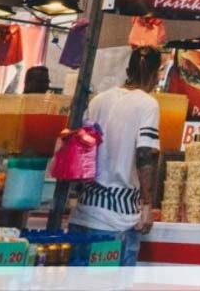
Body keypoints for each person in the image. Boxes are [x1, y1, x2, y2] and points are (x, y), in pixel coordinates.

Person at [69, 46, 162, 266]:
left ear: (128, 69)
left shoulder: (99, 100)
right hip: (118, 220)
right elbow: (145, 153)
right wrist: (147, 205)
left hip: (85, 211)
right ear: (155, 73)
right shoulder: (148, 104)